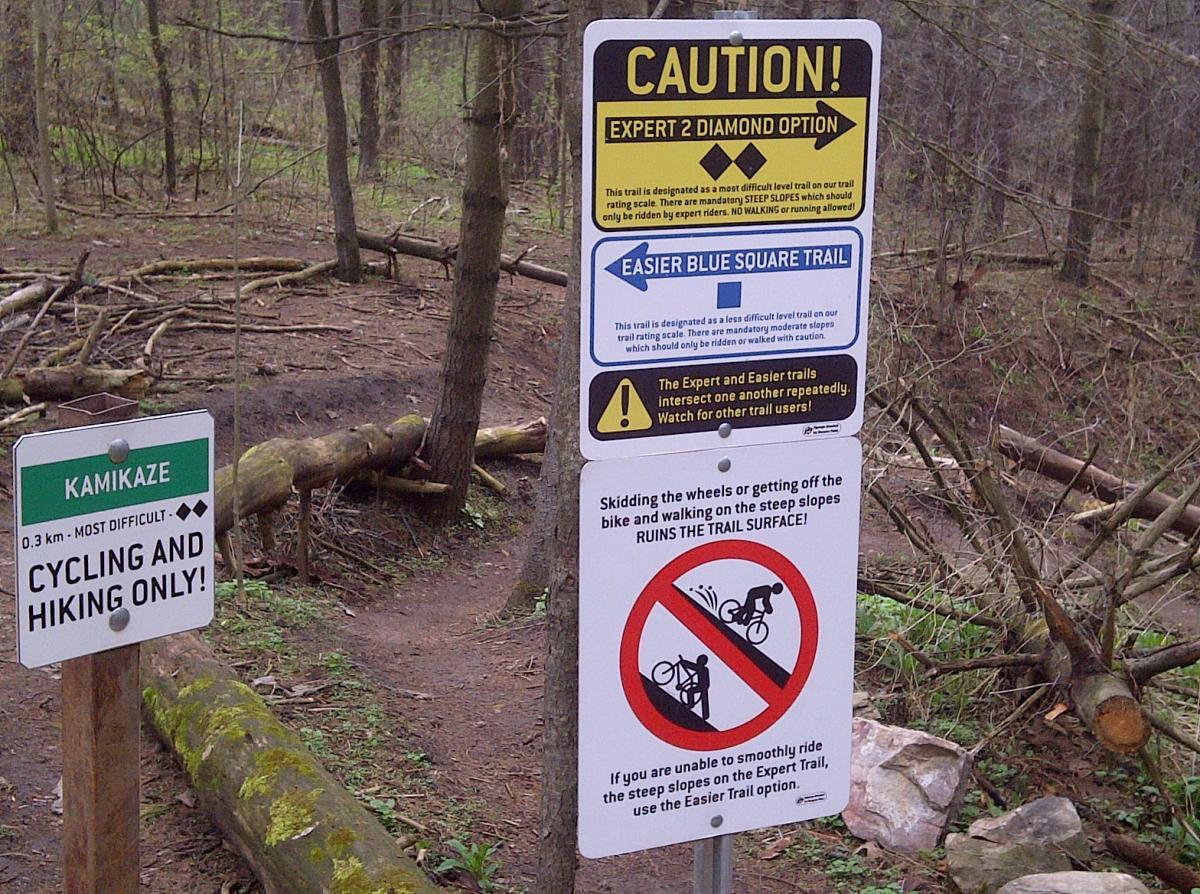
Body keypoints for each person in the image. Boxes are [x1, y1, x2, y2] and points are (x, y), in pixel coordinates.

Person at [676, 653, 710, 721]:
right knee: (704, 699)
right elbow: (692, 666)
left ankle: (691, 705)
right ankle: (705, 715)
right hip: (703, 686)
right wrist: (684, 662)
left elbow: (692, 666)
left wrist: (683, 662)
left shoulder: (702, 668)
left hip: (703, 686)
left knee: (690, 691)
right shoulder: (703, 668)